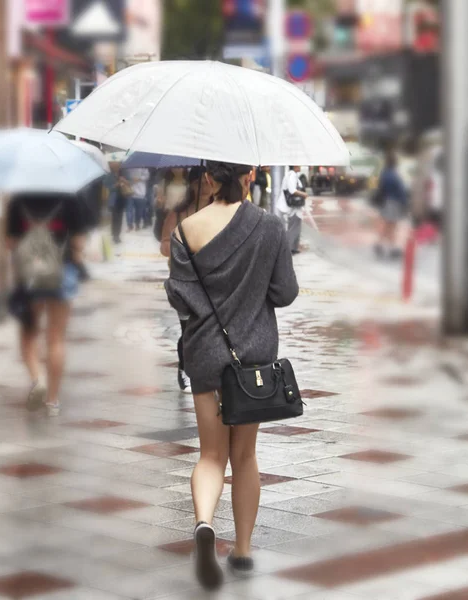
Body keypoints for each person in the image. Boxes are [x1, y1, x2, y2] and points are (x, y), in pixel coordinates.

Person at [165, 161, 299, 590]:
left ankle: (205, 524)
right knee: (244, 456)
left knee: (209, 455)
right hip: (253, 357)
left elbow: (180, 297)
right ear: (250, 177)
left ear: (208, 179)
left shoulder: (185, 231)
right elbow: (285, 292)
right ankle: (241, 551)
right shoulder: (270, 227)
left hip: (204, 353)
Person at [6, 193, 90, 417]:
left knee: (29, 334)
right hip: (62, 272)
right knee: (56, 338)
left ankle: (37, 379)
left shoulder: (18, 200)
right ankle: (53, 401)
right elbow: (78, 242)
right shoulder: (70, 199)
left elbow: (11, 242)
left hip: (30, 276)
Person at [161, 167, 213, 394]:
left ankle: (207, 368)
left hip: (211, 281)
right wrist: (182, 248)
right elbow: (164, 246)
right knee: (188, 329)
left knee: (209, 329)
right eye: (201, 180)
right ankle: (185, 367)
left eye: (210, 179)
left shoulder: (219, 211)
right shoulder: (180, 213)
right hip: (184, 281)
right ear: (192, 184)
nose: (207, 183)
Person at [374, 152, 408, 259]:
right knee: (392, 226)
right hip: (394, 203)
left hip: (386, 202)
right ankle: (392, 248)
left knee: (388, 225)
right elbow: (400, 191)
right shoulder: (393, 175)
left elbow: (381, 188)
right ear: (394, 162)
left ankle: (382, 244)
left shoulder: (384, 173)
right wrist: (405, 203)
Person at [276, 166, 307, 254]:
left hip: (294, 207)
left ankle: (293, 247)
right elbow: (292, 190)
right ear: (295, 166)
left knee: (295, 226)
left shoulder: (293, 175)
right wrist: (303, 194)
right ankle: (289, 248)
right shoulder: (291, 175)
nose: (300, 166)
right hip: (292, 207)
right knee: (293, 226)